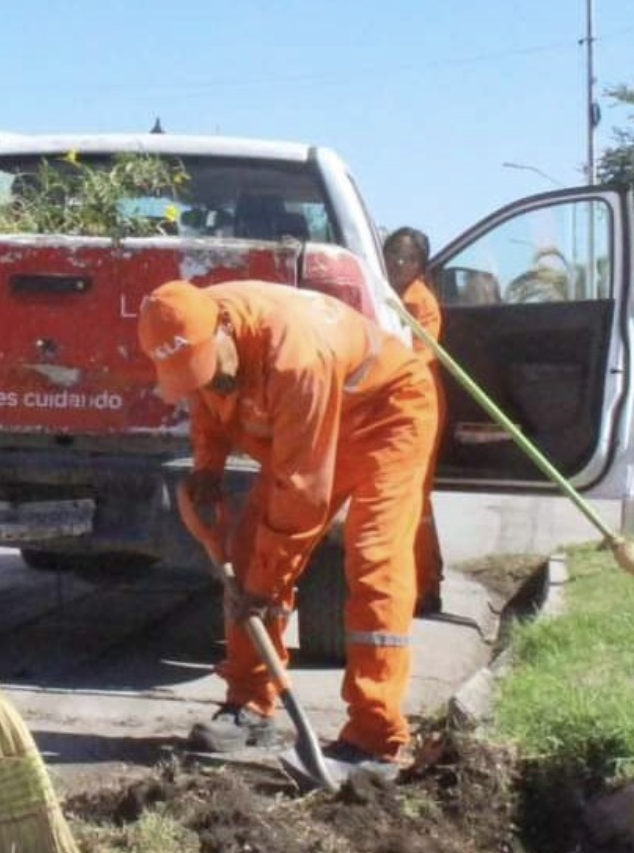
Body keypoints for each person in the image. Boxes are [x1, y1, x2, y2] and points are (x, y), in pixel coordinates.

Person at [136, 279, 439, 780]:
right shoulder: (200, 333)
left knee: (373, 557)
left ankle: (375, 735)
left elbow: (303, 494)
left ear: (225, 331)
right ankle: (252, 705)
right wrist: (207, 468)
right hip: (312, 420)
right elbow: (209, 404)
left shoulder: (294, 355)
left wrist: (264, 584)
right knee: (250, 546)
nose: (209, 381)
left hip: (385, 413)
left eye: (211, 368)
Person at [384, 226, 446, 616]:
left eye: (406, 258)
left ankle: (426, 586)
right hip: (392, 404)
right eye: (392, 255)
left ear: (420, 265)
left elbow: (421, 355)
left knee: (415, 500)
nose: (397, 264)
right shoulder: (386, 294)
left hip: (416, 405)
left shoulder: (420, 303)